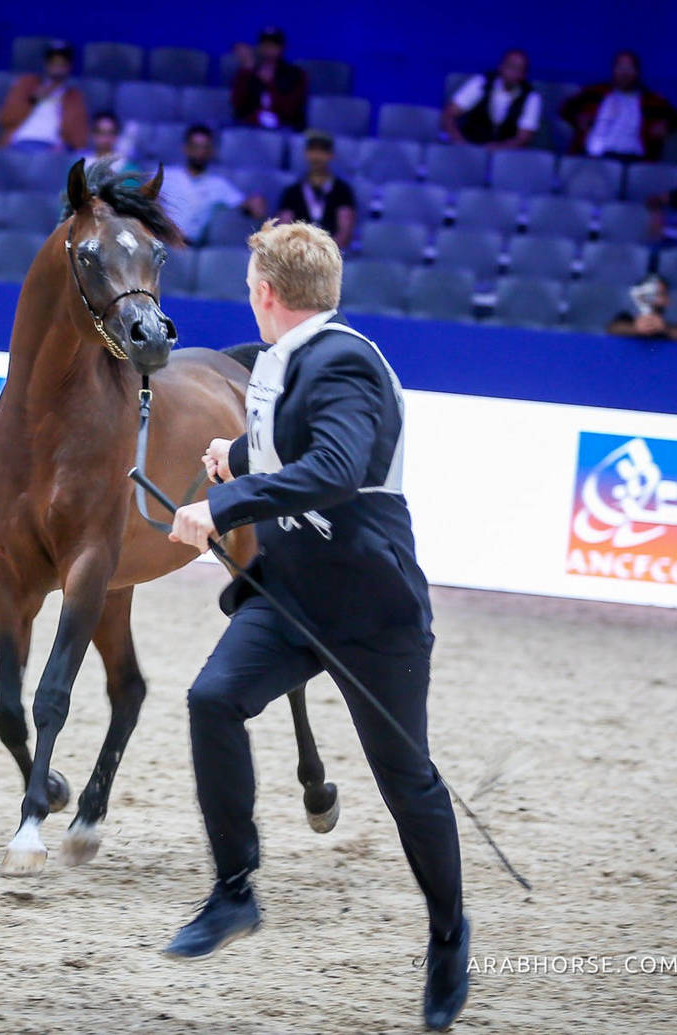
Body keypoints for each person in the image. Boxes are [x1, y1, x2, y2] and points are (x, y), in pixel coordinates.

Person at [161, 220, 469, 1032]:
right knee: (212, 699)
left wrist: (222, 502)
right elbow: (299, 456)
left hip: (372, 609)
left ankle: (447, 934)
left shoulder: (342, 363)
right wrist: (241, 455)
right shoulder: (283, 363)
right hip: (294, 593)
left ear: (265, 293)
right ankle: (235, 891)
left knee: (408, 785)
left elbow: (338, 469)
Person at [560, 50, 677, 160]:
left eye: (629, 68)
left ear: (637, 72)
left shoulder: (651, 101)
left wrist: (666, 127)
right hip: (593, 156)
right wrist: (578, 118)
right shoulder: (595, 93)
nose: (624, 73)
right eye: (620, 67)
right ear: (613, 70)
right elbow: (565, 108)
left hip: (632, 158)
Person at [161, 124, 267, 244]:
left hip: (189, 247)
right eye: (196, 147)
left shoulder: (218, 185)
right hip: (160, 240)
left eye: (205, 148)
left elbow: (246, 205)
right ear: (186, 148)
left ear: (212, 151)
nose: (200, 152)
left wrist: (256, 201)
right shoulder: (165, 175)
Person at [0, 40, 89, 151]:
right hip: (20, 142)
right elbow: (5, 119)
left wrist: (64, 143)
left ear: (68, 67)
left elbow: (79, 140)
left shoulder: (74, 97)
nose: (57, 67)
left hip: (51, 149)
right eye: (53, 62)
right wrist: (33, 99)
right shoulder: (26, 84)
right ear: (46, 64)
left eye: (62, 63)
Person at [442, 48, 541, 149]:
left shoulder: (531, 97)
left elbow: (523, 138)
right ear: (501, 66)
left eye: (520, 69)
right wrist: (460, 143)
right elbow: (449, 113)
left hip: (505, 155)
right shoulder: (482, 83)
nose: (515, 73)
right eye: (511, 67)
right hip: (469, 147)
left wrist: (496, 150)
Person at [275, 131, 357, 249]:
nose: (317, 156)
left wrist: (324, 256)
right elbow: (284, 230)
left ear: (331, 155)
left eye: (322, 151)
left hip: (332, 256)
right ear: (306, 153)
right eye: (312, 150)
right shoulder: (292, 192)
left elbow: (345, 233)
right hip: (298, 254)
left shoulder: (342, 191)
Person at [230, 26, 309, 131]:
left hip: (284, 128)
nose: (269, 50)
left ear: (282, 48)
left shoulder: (295, 75)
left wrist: (270, 84)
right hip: (250, 128)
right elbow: (237, 104)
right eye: (265, 45)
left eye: (273, 45)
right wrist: (246, 71)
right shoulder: (248, 74)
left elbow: (290, 110)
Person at [606, 274, 677, 341]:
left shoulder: (673, 326)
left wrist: (664, 329)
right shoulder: (625, 319)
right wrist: (635, 329)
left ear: (667, 300)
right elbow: (612, 329)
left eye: (659, 294)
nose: (653, 298)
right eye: (649, 294)